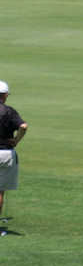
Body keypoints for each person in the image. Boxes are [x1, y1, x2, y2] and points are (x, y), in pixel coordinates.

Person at [0, 80, 28, 218]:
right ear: (4, 95)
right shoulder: (9, 111)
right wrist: (16, 140)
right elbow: (23, 126)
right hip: (6, 154)